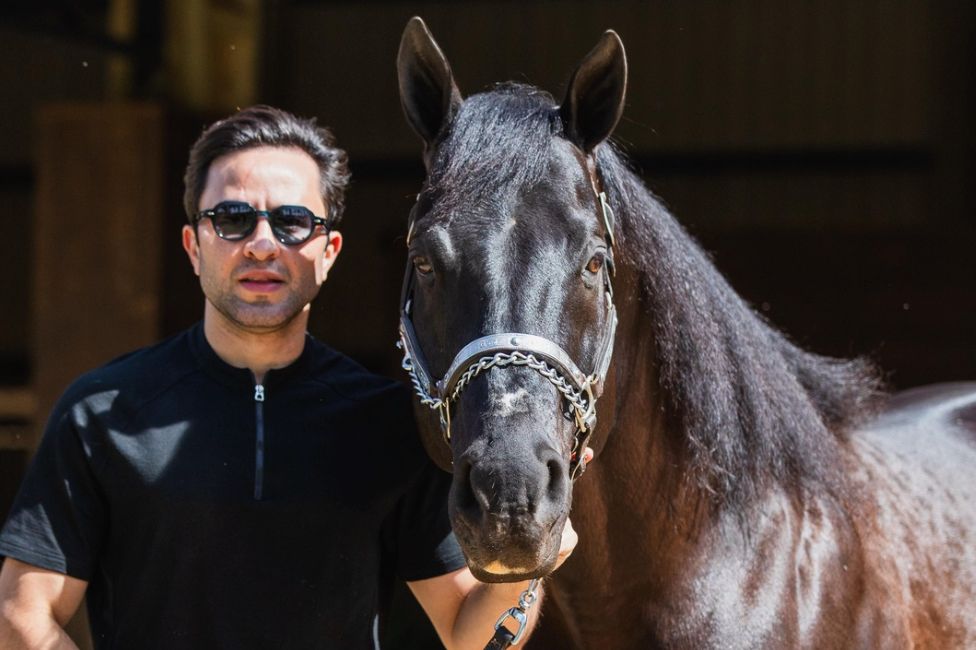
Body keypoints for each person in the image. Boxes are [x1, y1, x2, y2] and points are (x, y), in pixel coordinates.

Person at [0, 105, 578, 649]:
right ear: (193, 246)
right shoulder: (101, 413)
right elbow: (21, 617)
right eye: (231, 219)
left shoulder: (386, 425)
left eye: (292, 221)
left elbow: (467, 633)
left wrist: (527, 561)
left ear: (328, 252)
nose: (261, 244)